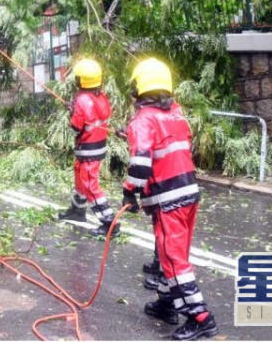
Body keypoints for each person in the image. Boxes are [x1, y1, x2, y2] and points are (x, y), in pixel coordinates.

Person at [122, 57, 217, 340]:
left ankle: (201, 318)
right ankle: (166, 304)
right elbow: (164, 144)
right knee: (172, 256)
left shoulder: (143, 121)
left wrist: (129, 191)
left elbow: (140, 166)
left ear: (139, 88)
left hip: (167, 200)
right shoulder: (176, 114)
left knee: (174, 261)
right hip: (189, 193)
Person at [57, 58, 117, 238]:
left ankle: (110, 223)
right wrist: (74, 110)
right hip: (98, 146)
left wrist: (72, 112)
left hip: (88, 148)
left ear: (81, 80)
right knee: (80, 178)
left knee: (90, 185)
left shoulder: (81, 100)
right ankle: (77, 210)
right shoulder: (102, 97)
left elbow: (75, 127)